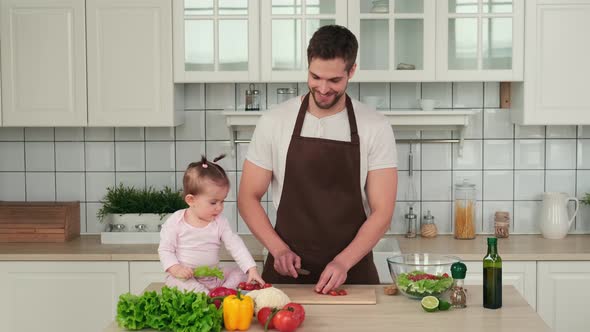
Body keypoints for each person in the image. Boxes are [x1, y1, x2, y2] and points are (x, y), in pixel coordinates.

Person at [238, 25, 398, 294]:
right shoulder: (274, 121)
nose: (323, 88)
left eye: (334, 80)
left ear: (352, 72)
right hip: (285, 272)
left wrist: (342, 262)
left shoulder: (375, 126)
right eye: (315, 77)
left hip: (352, 273)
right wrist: (278, 249)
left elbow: (382, 211)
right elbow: (247, 196)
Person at [159, 155, 264, 293]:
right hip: (186, 278)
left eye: (223, 201)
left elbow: (235, 245)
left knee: (241, 274)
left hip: (214, 277)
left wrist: (251, 268)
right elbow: (165, 250)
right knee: (176, 282)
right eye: (213, 202)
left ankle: (219, 292)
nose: (219, 207)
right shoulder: (176, 221)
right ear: (191, 200)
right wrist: (176, 268)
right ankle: (211, 295)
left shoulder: (220, 221)